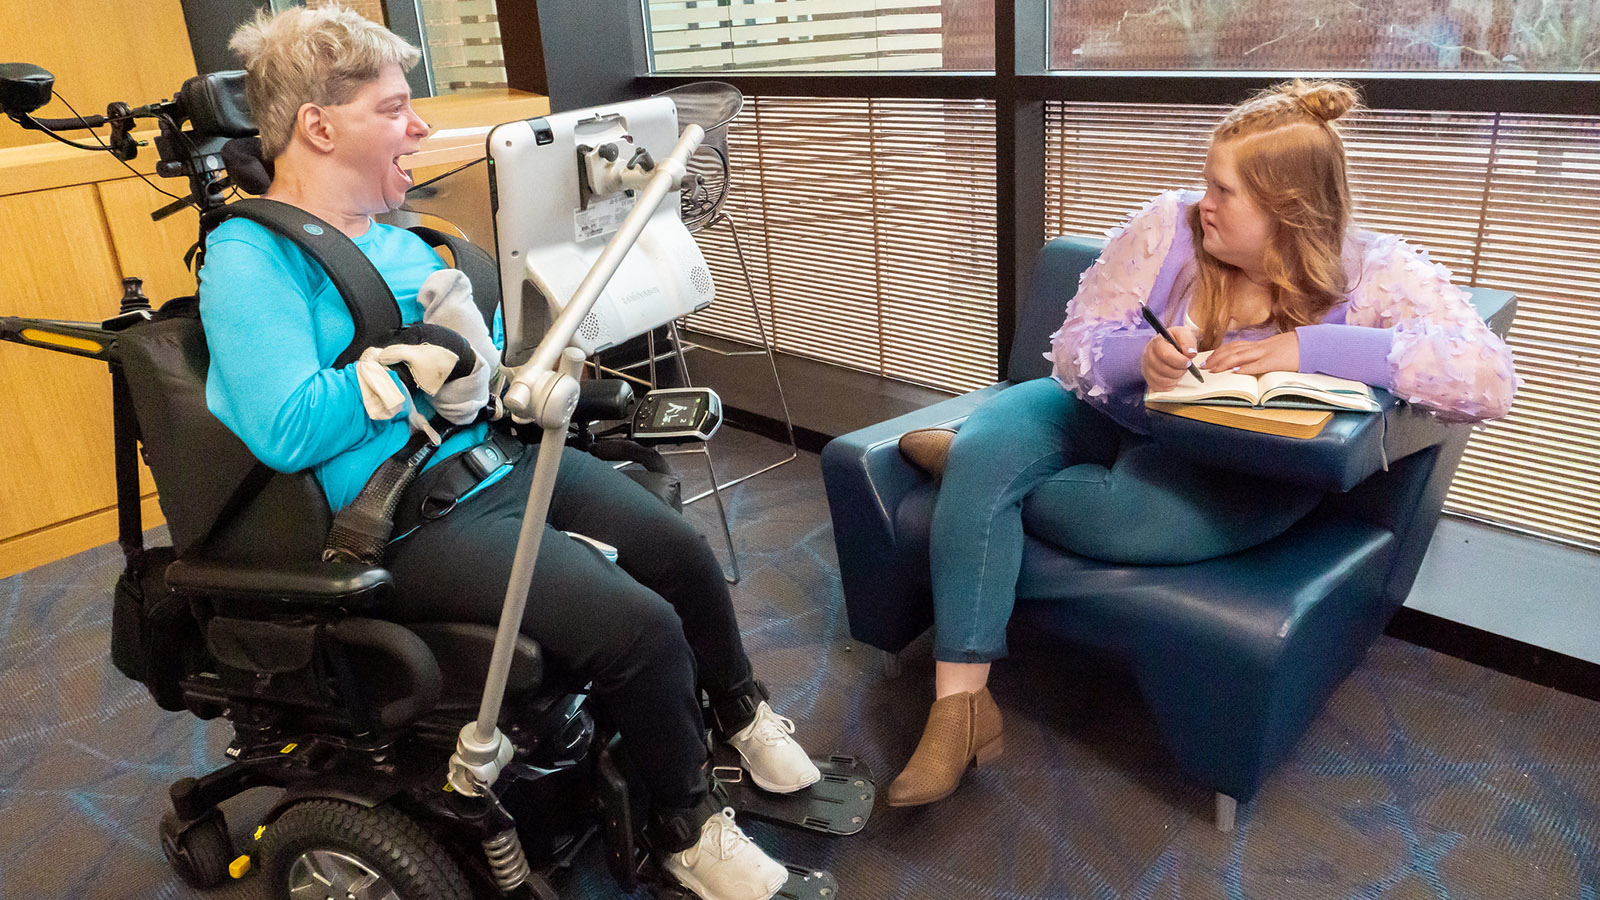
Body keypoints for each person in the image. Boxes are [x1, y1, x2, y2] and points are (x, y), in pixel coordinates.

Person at [201, 7, 815, 899]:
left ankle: (741, 716)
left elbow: (481, 371)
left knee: (680, 554)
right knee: (636, 627)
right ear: (319, 126)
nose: (418, 129)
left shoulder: (409, 241)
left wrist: (480, 367)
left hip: (494, 460)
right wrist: (412, 371)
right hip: (399, 516)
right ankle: (688, 827)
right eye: (395, 108)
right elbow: (283, 425)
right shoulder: (252, 257)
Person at [886, 79, 1519, 808]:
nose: (1202, 201)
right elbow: (1074, 349)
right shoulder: (1169, 228)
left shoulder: (1373, 271)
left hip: (1240, 474)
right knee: (1000, 434)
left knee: (1080, 505)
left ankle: (968, 468)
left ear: (1286, 210)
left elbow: (1486, 377)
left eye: (1225, 189)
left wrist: (1310, 347)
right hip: (1117, 417)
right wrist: (1142, 360)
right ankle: (958, 708)